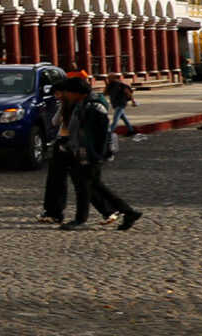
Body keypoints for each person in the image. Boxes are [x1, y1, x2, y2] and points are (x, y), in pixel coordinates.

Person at [55, 77, 141, 231]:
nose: (66, 95)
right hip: (81, 153)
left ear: (78, 93)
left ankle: (81, 220)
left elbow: (100, 134)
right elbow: (78, 131)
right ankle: (128, 212)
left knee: (87, 186)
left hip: (90, 155)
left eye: (69, 92)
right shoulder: (82, 105)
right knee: (91, 186)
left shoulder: (93, 108)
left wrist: (94, 155)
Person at [104, 73, 139, 141]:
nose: (109, 79)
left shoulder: (120, 85)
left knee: (116, 119)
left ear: (114, 78)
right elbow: (105, 93)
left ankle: (109, 133)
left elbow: (128, 92)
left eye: (110, 78)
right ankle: (131, 130)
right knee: (124, 118)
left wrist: (133, 101)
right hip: (115, 104)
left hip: (121, 103)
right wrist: (106, 85)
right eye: (108, 78)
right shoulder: (110, 86)